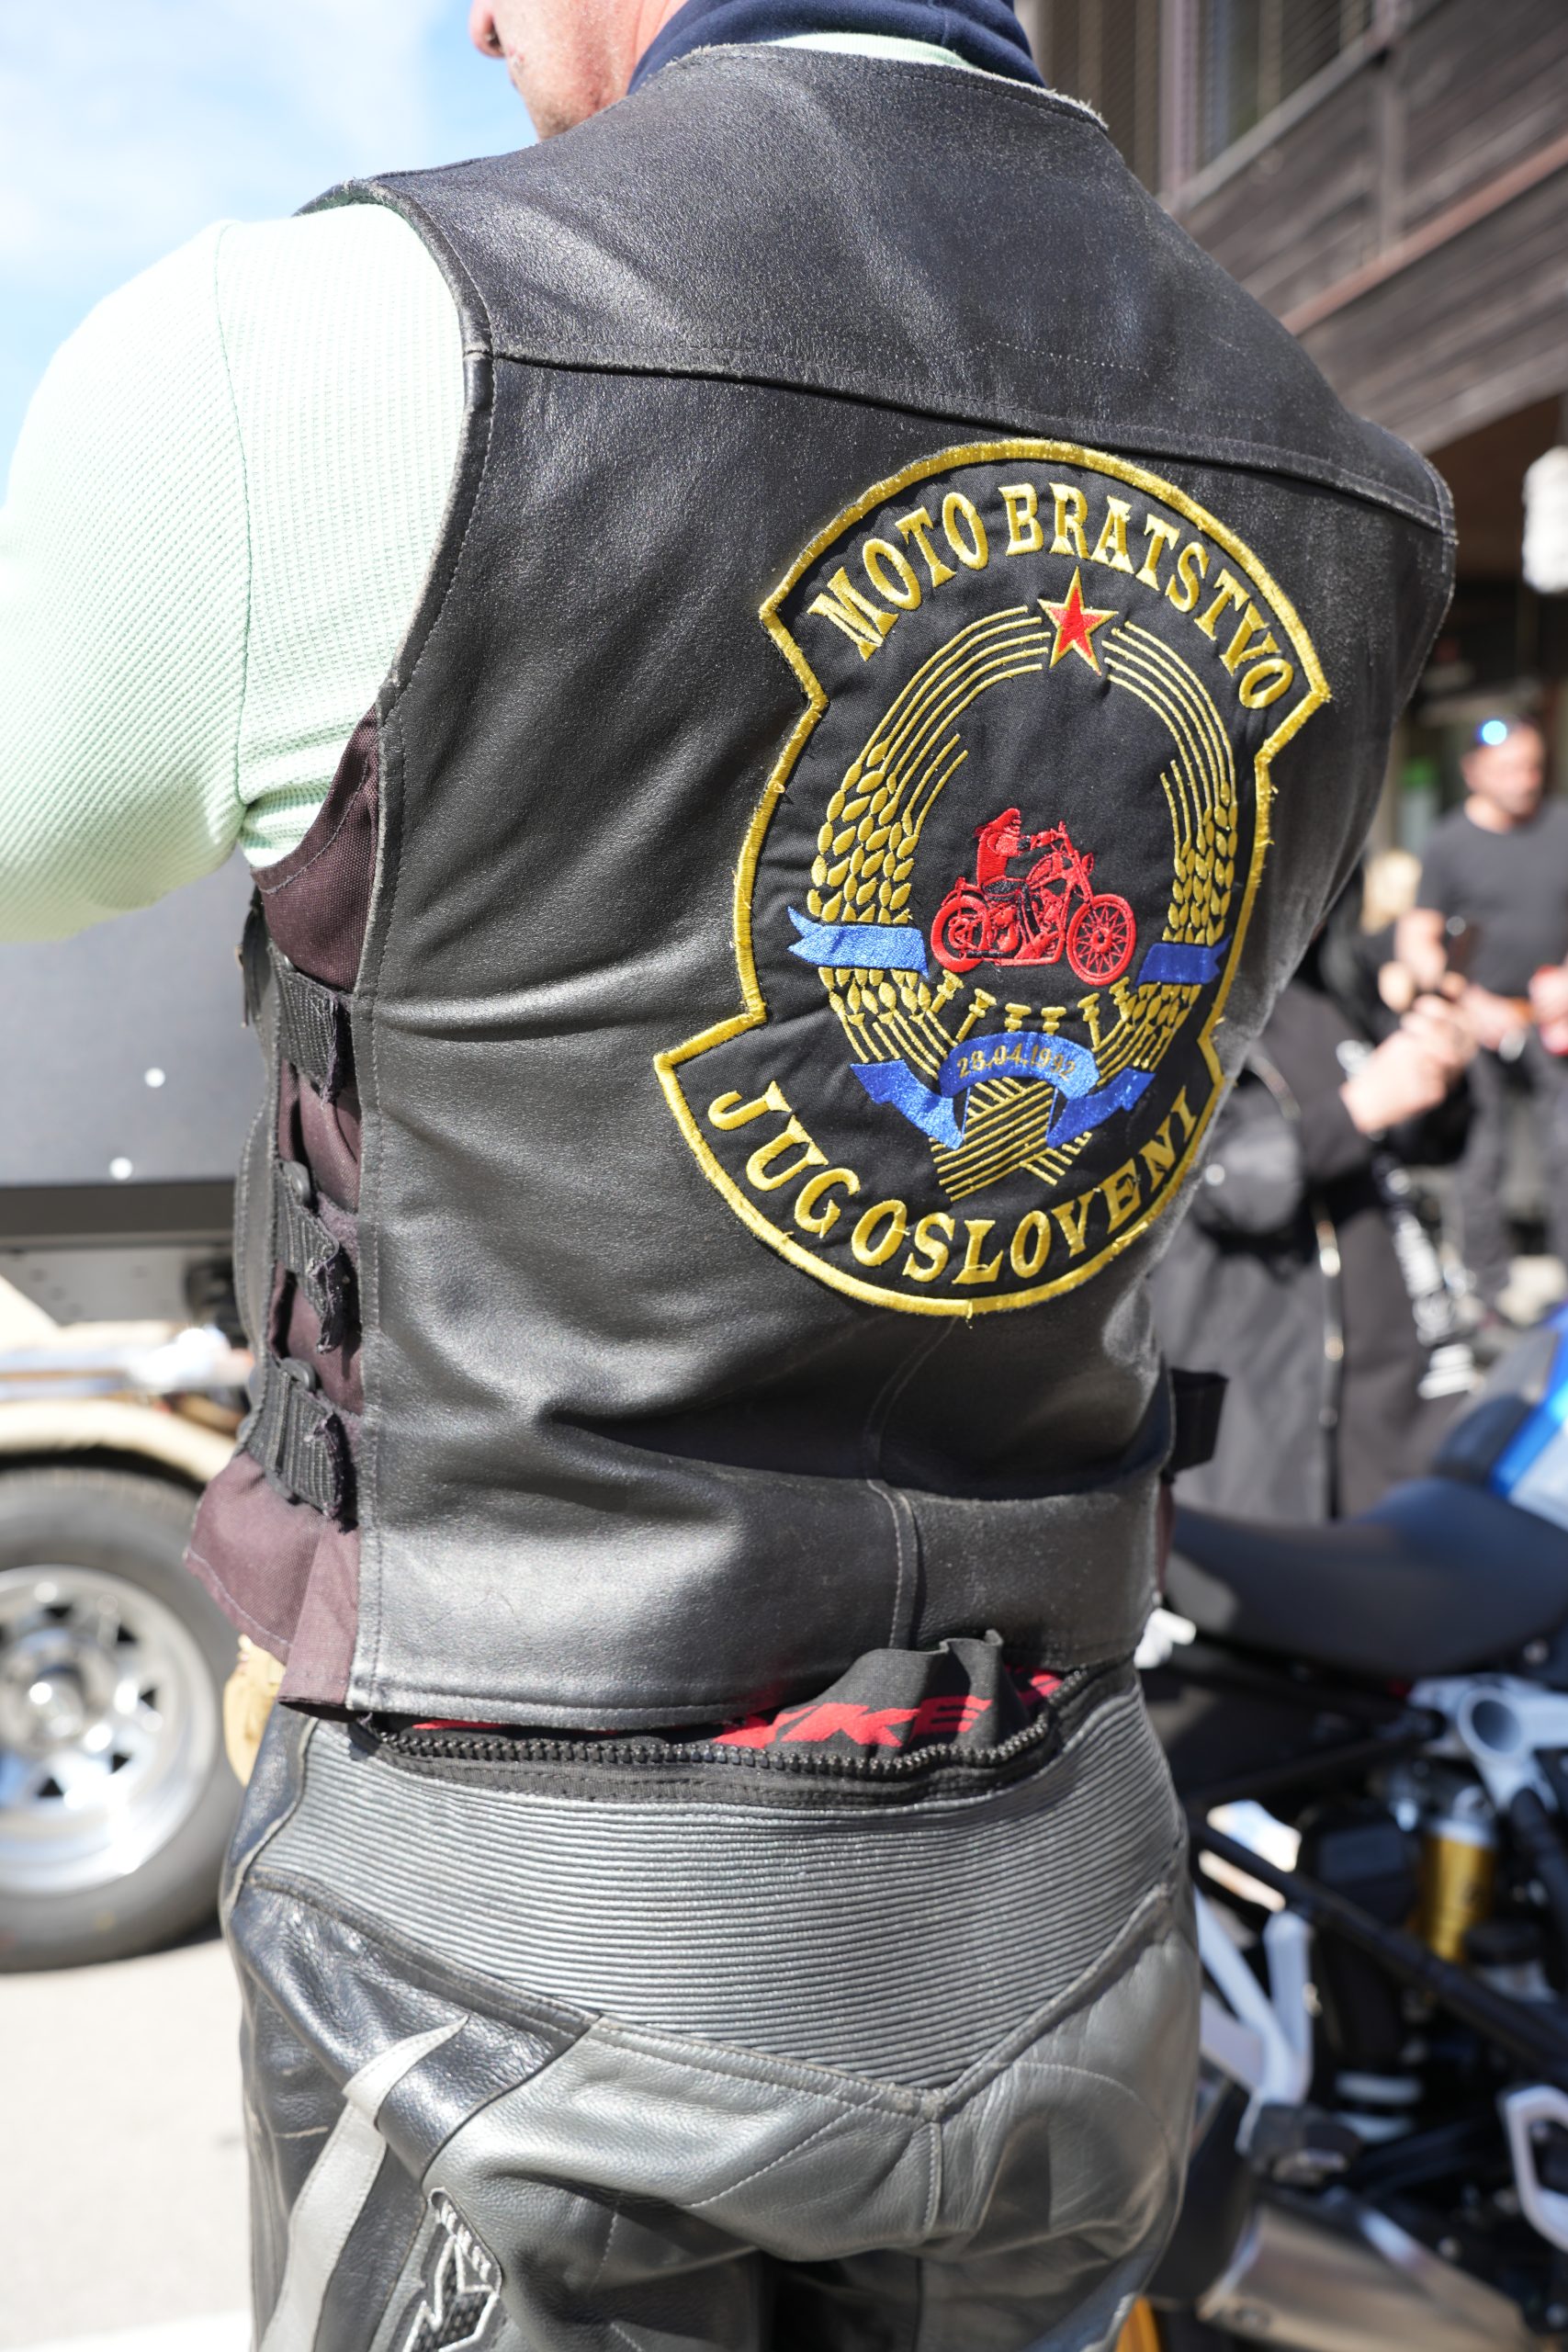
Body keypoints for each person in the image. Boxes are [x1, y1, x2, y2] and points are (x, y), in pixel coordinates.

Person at [0, 2, 1454, 2344]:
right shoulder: (1352, 483)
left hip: (510, 1904)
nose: (482, 30)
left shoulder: (341, 336)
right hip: (1062, 1880)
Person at [1152, 930, 1475, 1523]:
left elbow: (1414, 1143)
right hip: (1287, 1410)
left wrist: (1441, 1073)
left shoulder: (1332, 983)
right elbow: (1223, 1181)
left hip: (1405, 1383)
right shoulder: (1184, 1000)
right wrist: (1361, 1108)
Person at [1399, 717, 1568, 1324]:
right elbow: (1417, 938)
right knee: (1481, 1153)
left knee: (1564, 1145)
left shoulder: (1560, 825)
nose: (1524, 780)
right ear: (1472, 773)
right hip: (1478, 1021)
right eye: (1508, 769)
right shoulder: (1449, 842)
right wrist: (1467, 999)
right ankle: (1488, 1295)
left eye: (1532, 766)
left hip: (1552, 1023)